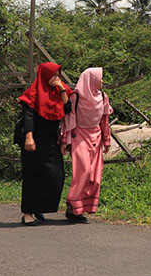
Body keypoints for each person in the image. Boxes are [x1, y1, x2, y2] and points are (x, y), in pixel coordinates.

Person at [18, 61, 71, 225]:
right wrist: (29, 137)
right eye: (53, 75)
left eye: (58, 75)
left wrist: (61, 88)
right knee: (33, 174)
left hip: (51, 139)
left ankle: (39, 207)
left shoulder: (58, 92)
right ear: (45, 75)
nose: (56, 78)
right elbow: (29, 116)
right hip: (34, 137)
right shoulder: (33, 93)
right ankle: (28, 213)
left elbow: (67, 109)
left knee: (55, 175)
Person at [60, 67, 112, 223]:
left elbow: (104, 120)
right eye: (100, 78)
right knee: (82, 171)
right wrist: (64, 140)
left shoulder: (103, 97)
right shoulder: (76, 97)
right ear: (91, 79)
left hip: (96, 137)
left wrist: (107, 139)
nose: (102, 81)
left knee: (94, 175)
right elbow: (68, 119)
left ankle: (77, 208)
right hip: (79, 136)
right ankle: (74, 206)